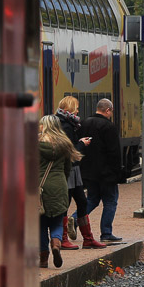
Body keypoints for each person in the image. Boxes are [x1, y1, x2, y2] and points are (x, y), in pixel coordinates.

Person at [55, 97, 104, 250]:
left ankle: (88, 239)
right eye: (76, 108)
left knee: (82, 201)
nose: (77, 111)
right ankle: (63, 239)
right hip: (69, 169)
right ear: (69, 109)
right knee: (66, 203)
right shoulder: (66, 126)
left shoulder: (67, 123)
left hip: (74, 170)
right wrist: (82, 143)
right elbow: (70, 150)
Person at [38, 115, 82, 268]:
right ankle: (56, 243)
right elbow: (67, 170)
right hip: (59, 186)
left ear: (44, 126)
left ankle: (43, 258)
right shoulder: (65, 144)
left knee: (40, 224)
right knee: (57, 220)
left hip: (40, 188)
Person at [81, 98, 126, 243]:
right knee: (110, 201)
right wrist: (117, 173)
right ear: (107, 110)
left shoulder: (84, 123)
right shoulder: (109, 126)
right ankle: (106, 233)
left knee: (92, 199)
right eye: (111, 111)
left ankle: (74, 220)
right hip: (106, 173)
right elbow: (114, 152)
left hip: (89, 172)